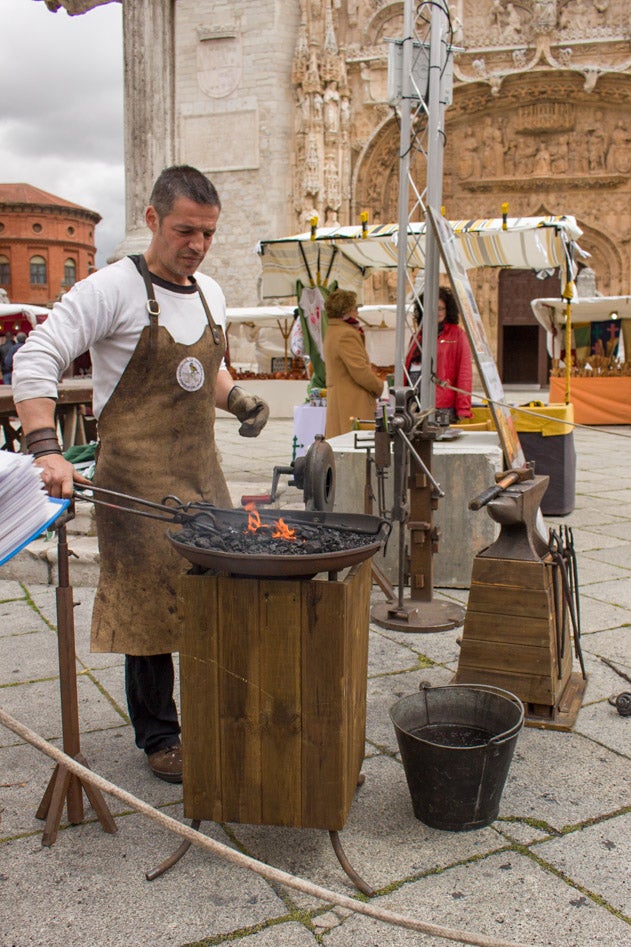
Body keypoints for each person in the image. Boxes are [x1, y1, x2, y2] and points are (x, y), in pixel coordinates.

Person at [12, 165, 270, 783]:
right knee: (148, 610)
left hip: (201, 475)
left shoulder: (211, 293)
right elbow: (35, 356)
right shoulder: (109, 291)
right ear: (152, 219)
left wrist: (238, 401)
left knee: (221, 592)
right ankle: (160, 735)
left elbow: (205, 368)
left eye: (208, 233)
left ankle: (219, 712)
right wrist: (47, 448)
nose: (198, 245)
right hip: (133, 480)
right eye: (186, 230)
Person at [404, 287, 473, 421]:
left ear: (448, 310)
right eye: (431, 307)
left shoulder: (457, 335)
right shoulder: (418, 335)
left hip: (442, 406)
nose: (436, 312)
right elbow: (407, 368)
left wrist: (463, 408)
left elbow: (464, 373)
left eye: (441, 308)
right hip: (414, 403)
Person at [323, 288, 383, 438]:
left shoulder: (332, 331)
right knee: (356, 449)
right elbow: (359, 371)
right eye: (355, 308)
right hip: (352, 402)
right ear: (346, 311)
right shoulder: (346, 334)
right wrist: (379, 386)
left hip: (340, 399)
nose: (357, 313)